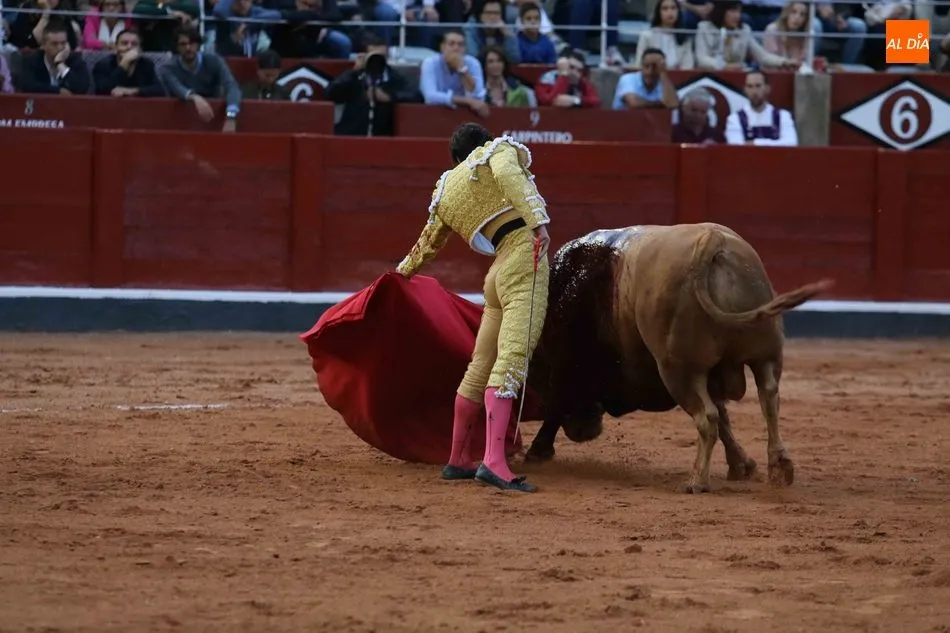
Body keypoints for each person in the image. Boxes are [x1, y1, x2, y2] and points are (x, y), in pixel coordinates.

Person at [395, 123, 551, 493]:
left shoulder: (447, 187)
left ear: (456, 158)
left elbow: (427, 243)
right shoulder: (497, 151)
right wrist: (539, 223)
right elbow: (510, 176)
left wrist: (401, 274)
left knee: (480, 365)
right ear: (482, 144)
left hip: (495, 274)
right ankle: (494, 462)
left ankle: (458, 458)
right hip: (522, 258)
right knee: (511, 358)